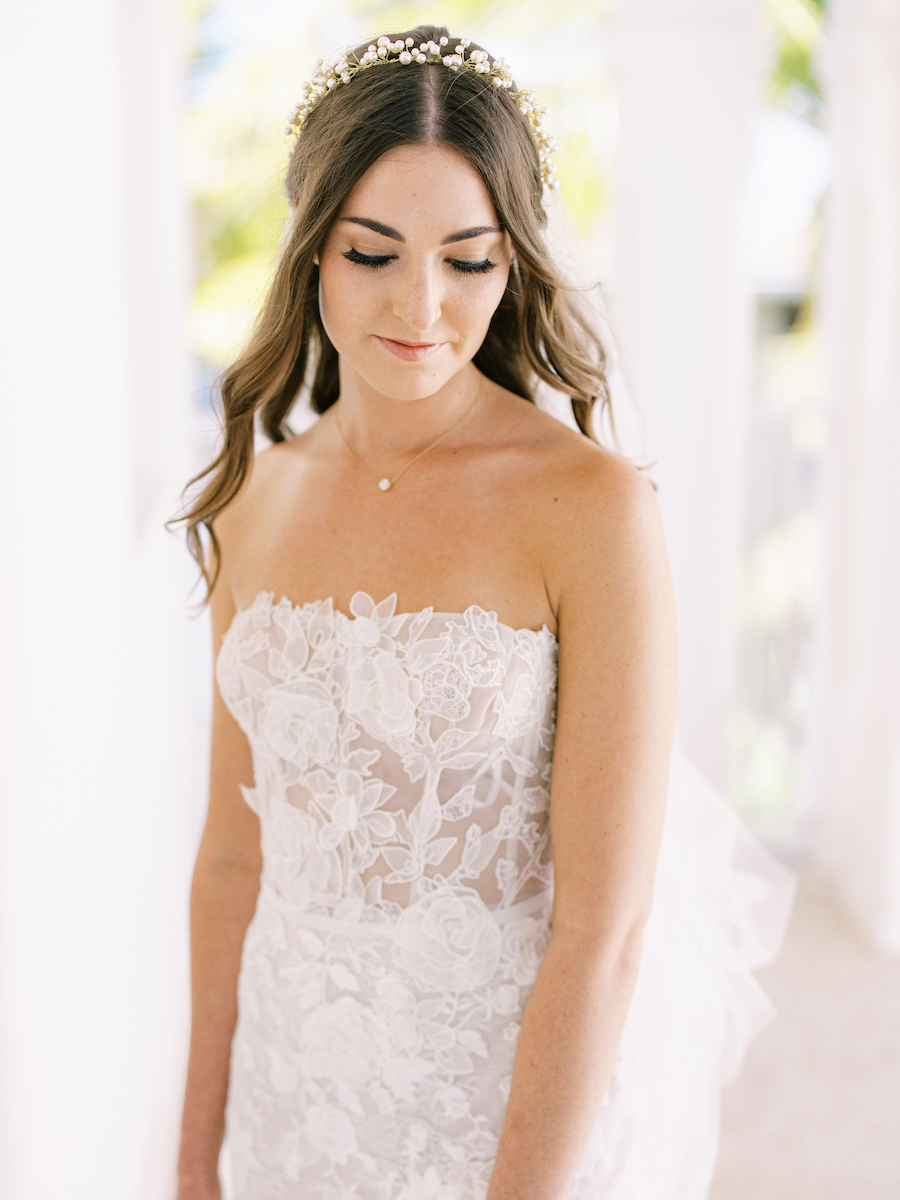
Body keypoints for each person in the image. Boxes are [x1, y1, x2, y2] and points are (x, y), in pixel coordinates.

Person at [174, 25, 795, 1200]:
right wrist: (196, 1159)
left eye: (470, 259)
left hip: (502, 1125)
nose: (423, 303)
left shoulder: (591, 510)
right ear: (312, 252)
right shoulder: (257, 495)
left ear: (514, 266)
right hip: (293, 1095)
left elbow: (602, 934)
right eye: (374, 252)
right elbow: (229, 860)